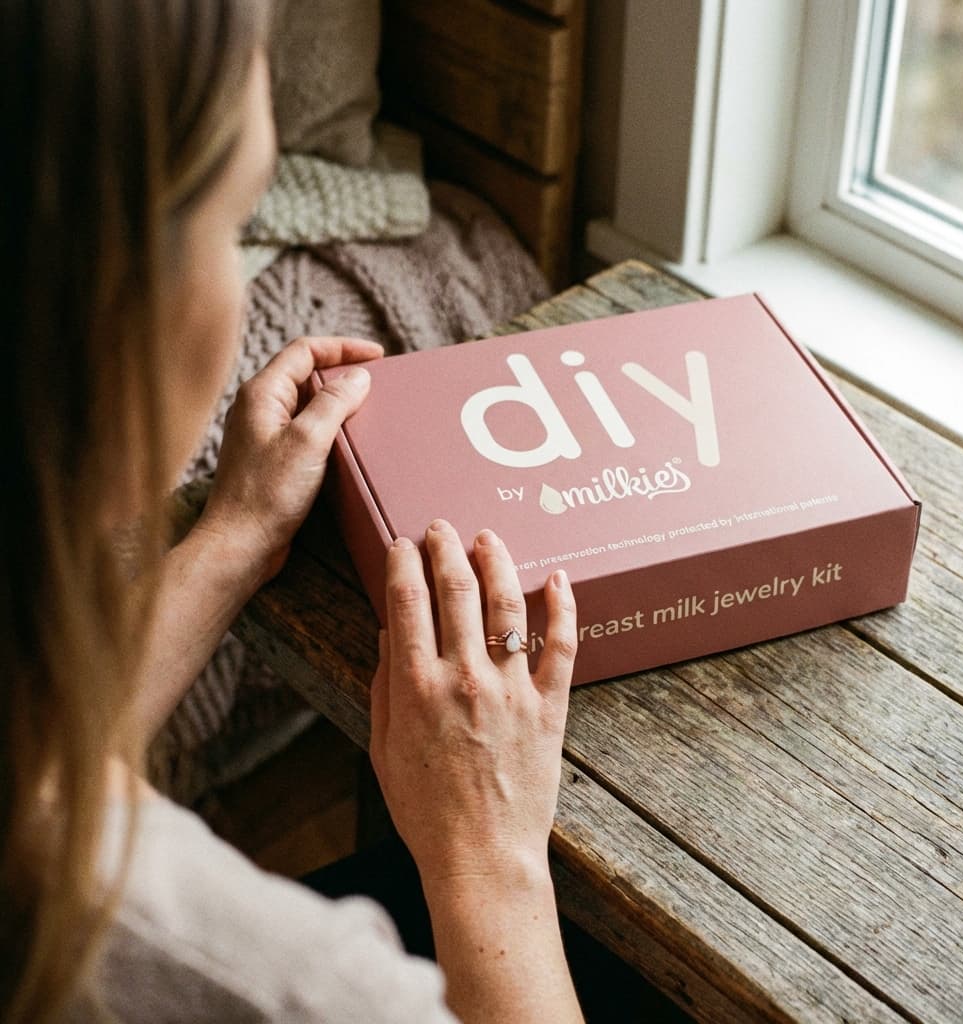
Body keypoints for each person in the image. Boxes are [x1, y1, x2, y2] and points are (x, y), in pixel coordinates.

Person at [0, 2, 585, 1021]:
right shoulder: (281, 982)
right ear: (98, 315)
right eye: (235, 230)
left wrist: (236, 537)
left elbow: (38, 764)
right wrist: (491, 861)